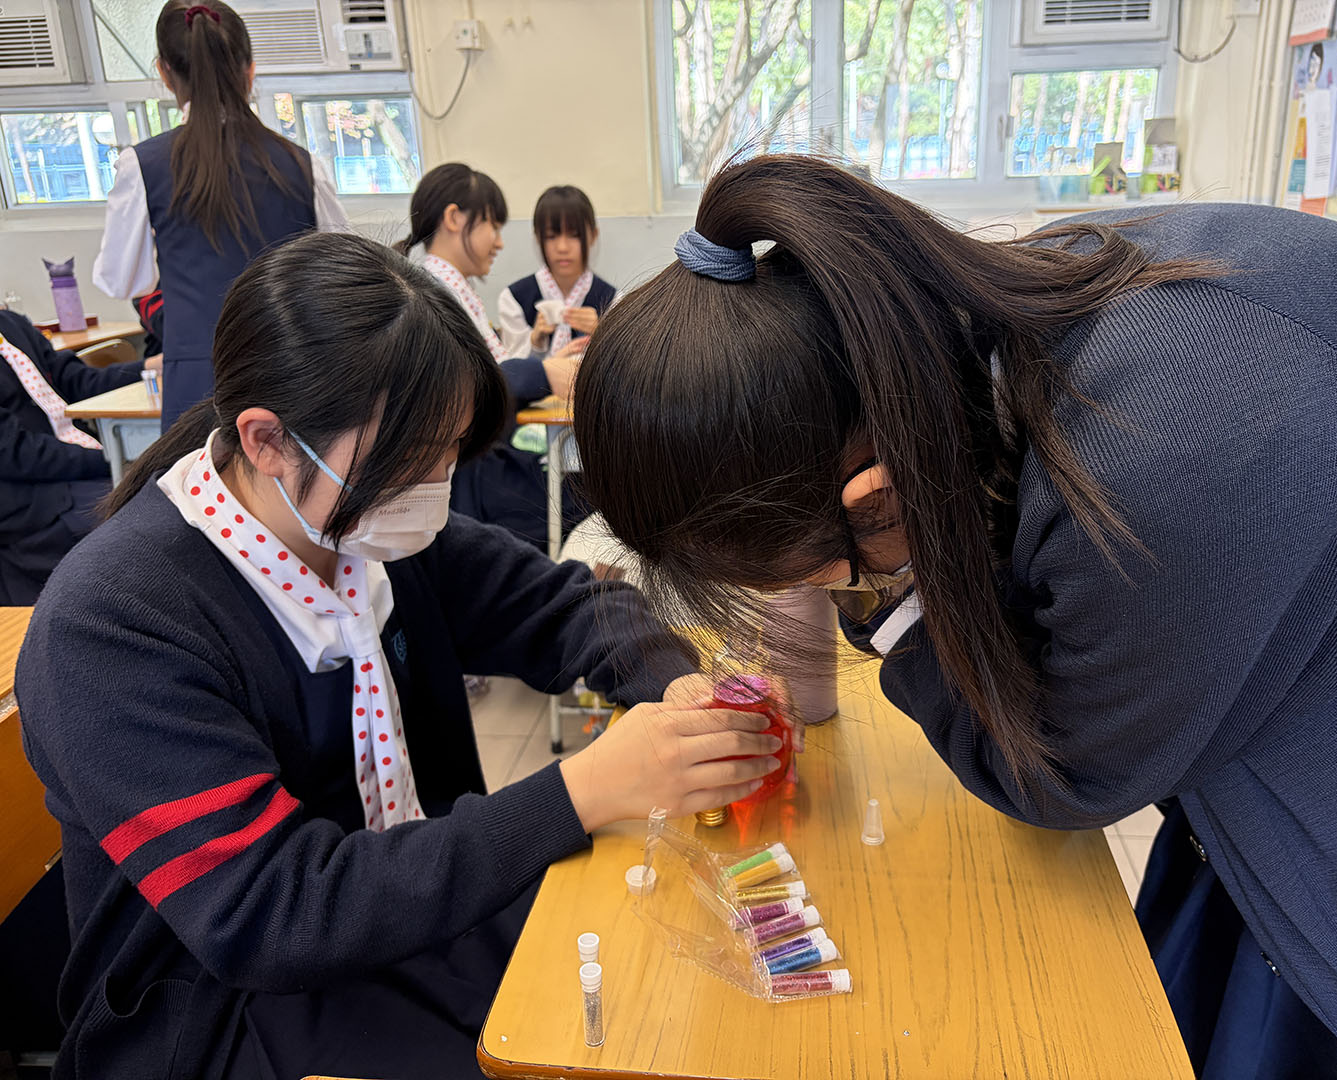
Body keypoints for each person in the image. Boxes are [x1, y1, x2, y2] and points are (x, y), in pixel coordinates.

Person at [571, 155, 1337, 1080]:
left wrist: (892, 600)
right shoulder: (983, 329)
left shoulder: (1158, 471)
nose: (839, 597)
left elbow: (1064, 776)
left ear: (876, 498)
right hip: (1265, 774)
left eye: (826, 577)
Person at [17, 232, 784, 1079]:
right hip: (216, 1006)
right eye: (411, 461)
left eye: (446, 454)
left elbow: (569, 606)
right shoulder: (113, 625)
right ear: (267, 441)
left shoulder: (367, 531)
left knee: (653, 977)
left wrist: (678, 689)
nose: (433, 488)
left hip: (398, 910)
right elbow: (273, 913)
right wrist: (587, 787)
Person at [93, 0, 347, 430]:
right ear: (250, 71)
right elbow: (342, 273)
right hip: (296, 370)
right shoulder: (302, 165)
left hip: (199, 378)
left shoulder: (143, 166)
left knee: (203, 475)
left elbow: (122, 281)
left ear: (164, 73)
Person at [399, 163, 587, 548]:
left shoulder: (449, 289)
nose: (499, 242)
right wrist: (543, 373)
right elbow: (469, 385)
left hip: (482, 461)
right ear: (454, 218)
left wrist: (544, 367)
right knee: (590, 495)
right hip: (472, 476)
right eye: (493, 226)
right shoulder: (432, 296)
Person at [0, 309, 151, 603]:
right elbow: (17, 453)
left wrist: (148, 367)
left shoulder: (10, 325)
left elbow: (75, 380)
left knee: (170, 487)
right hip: (32, 499)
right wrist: (110, 460)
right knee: (146, 513)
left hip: (72, 466)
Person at [496, 184, 618, 362]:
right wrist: (534, 342)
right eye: (551, 236)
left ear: (593, 235)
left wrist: (603, 334)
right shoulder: (513, 299)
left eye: (574, 235)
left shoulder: (613, 301)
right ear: (538, 238)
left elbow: (626, 367)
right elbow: (509, 370)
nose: (562, 247)